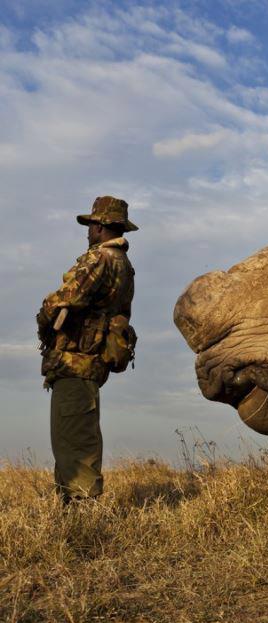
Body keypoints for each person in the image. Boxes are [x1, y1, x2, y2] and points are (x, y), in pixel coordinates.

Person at [37, 196, 137, 504]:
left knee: (74, 443)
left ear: (102, 227)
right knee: (75, 437)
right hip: (90, 364)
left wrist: (44, 320)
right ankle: (75, 510)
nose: (88, 230)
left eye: (92, 224)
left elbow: (61, 302)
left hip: (75, 362)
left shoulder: (98, 259)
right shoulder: (125, 266)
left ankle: (83, 517)